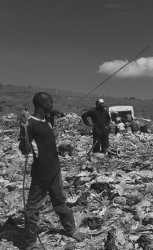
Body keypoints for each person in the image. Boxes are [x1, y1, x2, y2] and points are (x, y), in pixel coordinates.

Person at [18, 93, 87, 248]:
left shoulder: (47, 121)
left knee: (60, 201)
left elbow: (52, 116)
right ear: (43, 103)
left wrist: (55, 113)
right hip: (41, 173)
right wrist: (23, 129)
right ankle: (31, 244)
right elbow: (25, 150)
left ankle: (71, 230)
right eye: (50, 102)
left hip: (55, 169)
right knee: (33, 209)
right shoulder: (30, 123)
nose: (53, 104)